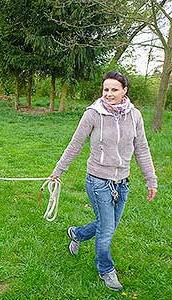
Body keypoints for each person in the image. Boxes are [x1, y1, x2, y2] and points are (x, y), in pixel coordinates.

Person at [50, 71, 157, 291]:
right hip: (98, 181)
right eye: (106, 89)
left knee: (107, 226)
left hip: (123, 182)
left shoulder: (134, 115)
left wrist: (151, 179)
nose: (109, 94)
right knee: (107, 230)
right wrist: (58, 171)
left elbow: (142, 149)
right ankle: (105, 269)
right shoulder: (93, 114)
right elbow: (76, 144)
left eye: (114, 89)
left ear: (125, 91)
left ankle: (77, 233)